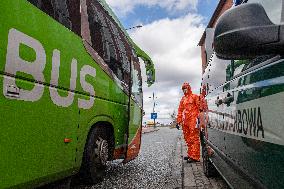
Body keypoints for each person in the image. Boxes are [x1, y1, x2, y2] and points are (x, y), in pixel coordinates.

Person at [177, 82, 200, 163]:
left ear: (189, 88)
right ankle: (190, 154)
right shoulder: (183, 99)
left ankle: (195, 156)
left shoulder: (195, 97)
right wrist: (178, 121)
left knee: (194, 138)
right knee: (188, 138)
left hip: (193, 120)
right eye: (183, 89)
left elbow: (200, 108)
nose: (184, 90)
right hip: (185, 121)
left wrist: (199, 119)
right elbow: (180, 110)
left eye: (186, 88)